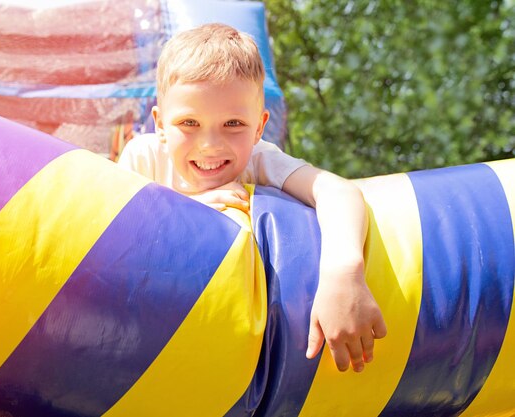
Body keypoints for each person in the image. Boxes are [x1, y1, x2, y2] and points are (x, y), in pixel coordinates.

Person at [117, 23, 386, 373]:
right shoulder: (144, 157)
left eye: (233, 124)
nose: (210, 145)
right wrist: (188, 215)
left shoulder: (260, 159)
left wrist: (344, 272)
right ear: (160, 125)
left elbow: (337, 190)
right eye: (188, 123)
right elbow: (117, 238)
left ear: (259, 127)